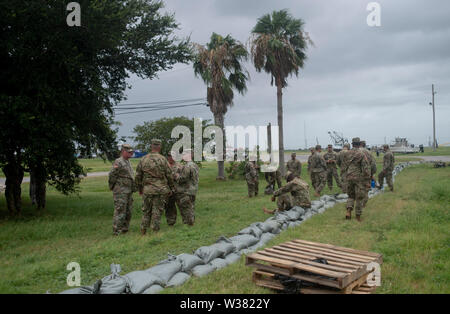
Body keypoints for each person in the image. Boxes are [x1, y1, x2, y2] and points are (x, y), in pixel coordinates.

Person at [135, 139, 175, 235]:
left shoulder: (143, 159)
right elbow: (169, 175)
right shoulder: (163, 159)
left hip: (147, 189)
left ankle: (143, 230)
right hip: (160, 189)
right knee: (157, 210)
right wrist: (171, 187)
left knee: (146, 210)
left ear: (151, 146)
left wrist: (140, 188)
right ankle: (155, 231)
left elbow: (137, 176)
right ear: (159, 147)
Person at [108, 144, 136, 235]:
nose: (131, 153)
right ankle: (117, 231)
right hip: (121, 191)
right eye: (129, 152)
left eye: (132, 152)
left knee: (128, 211)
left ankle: (124, 229)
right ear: (123, 151)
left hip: (128, 190)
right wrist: (112, 187)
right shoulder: (118, 162)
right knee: (120, 210)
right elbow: (112, 175)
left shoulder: (127, 161)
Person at [345, 138, 370, 222]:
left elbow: (344, 165)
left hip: (349, 176)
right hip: (358, 178)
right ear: (359, 144)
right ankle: (358, 216)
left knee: (351, 195)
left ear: (352, 144)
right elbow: (365, 168)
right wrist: (367, 180)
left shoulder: (347, 153)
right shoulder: (361, 154)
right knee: (359, 197)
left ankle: (348, 211)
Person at [173, 150, 199, 226]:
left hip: (186, 191)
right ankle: (191, 223)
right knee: (191, 207)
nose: (183, 156)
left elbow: (183, 179)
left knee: (186, 209)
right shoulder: (195, 165)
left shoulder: (187, 166)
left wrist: (176, 176)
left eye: (184, 154)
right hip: (193, 190)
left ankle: (189, 224)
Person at [165, 152, 182, 226]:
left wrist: (176, 176)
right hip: (168, 189)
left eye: (172, 156)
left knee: (182, 205)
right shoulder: (164, 165)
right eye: (169, 156)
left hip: (178, 189)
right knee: (169, 206)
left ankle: (187, 220)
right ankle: (171, 221)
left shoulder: (179, 166)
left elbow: (183, 177)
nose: (170, 158)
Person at [360, 141, 377, 208]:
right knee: (366, 190)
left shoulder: (356, 151)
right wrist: (372, 173)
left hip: (356, 174)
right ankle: (363, 204)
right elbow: (373, 164)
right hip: (367, 173)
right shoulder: (369, 152)